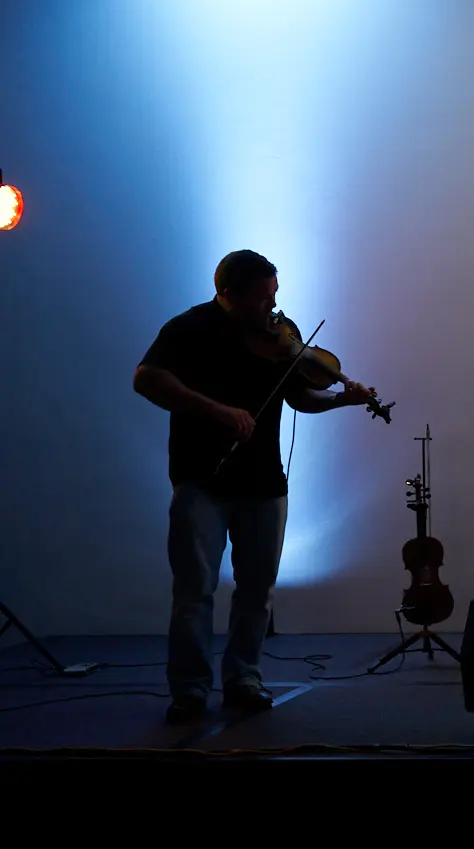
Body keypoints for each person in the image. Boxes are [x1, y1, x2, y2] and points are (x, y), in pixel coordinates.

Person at [134, 250, 379, 723]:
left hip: (265, 481)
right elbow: (147, 379)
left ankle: (244, 677)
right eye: (264, 297)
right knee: (194, 590)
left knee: (257, 588)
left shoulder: (277, 339)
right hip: (200, 477)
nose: (274, 308)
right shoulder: (188, 329)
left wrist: (341, 400)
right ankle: (188, 689)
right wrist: (218, 411)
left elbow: (301, 396)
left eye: (275, 295)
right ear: (229, 295)